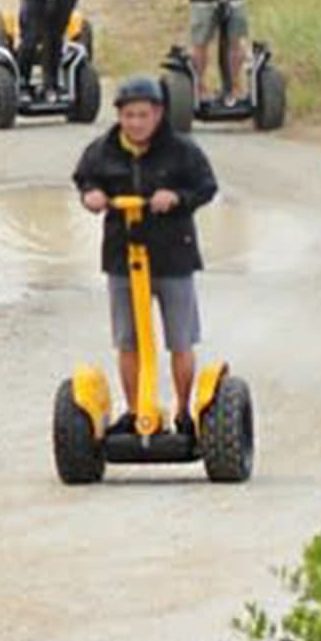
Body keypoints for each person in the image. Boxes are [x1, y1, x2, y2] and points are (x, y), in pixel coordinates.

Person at [72, 73, 220, 432]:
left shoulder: (182, 150)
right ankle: (138, 410)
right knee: (128, 341)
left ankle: (185, 412)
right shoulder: (103, 149)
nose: (135, 123)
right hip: (123, 256)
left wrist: (177, 198)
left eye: (142, 115)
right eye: (128, 116)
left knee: (180, 340)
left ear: (158, 114)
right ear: (119, 116)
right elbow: (84, 177)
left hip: (173, 256)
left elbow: (206, 187)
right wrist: (91, 195)